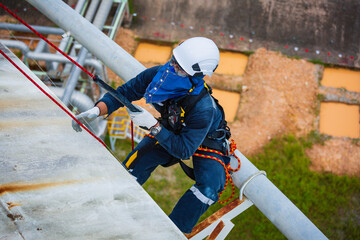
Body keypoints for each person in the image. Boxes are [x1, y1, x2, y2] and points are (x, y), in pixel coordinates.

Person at [72, 37, 232, 233]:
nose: (171, 68)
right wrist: (97, 110)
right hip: (172, 129)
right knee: (136, 162)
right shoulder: (158, 75)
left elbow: (183, 149)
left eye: (179, 68)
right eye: (173, 60)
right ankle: (113, 204)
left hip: (207, 141)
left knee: (209, 187)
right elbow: (126, 92)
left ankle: (172, 232)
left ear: (196, 76)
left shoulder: (203, 108)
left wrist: (154, 126)